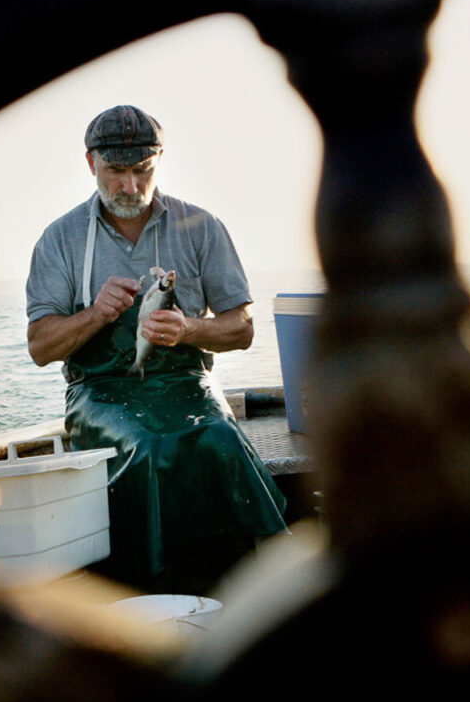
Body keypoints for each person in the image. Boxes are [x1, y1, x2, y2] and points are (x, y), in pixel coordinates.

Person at [25, 104, 289, 594]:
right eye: (116, 172)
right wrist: (96, 315)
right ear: (90, 164)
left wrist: (188, 330)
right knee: (147, 445)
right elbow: (41, 347)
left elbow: (242, 328)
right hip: (99, 393)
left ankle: (242, 584)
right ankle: (149, 589)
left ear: (160, 160)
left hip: (187, 383)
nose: (129, 187)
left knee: (221, 439)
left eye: (141, 171)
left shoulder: (201, 226)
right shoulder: (60, 239)